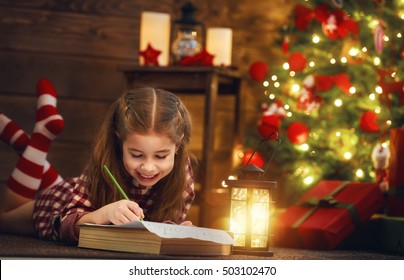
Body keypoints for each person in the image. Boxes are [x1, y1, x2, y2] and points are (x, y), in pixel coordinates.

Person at [0, 80, 195, 245]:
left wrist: (176, 230)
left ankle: (26, 144)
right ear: (119, 141)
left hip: (69, 188)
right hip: (59, 202)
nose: (148, 167)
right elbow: (67, 222)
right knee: (5, 219)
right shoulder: (106, 160)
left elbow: (163, 224)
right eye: (136, 155)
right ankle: (37, 139)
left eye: (161, 156)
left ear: (177, 145)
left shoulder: (182, 173)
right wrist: (105, 213)